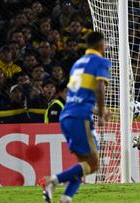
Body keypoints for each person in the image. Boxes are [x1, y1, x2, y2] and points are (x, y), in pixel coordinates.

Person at [42, 31, 112, 203]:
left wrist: (96, 111)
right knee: (94, 164)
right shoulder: (100, 61)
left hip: (67, 115)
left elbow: (78, 95)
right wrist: (102, 113)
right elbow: (99, 88)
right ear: (101, 45)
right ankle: (54, 180)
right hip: (80, 117)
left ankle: (66, 198)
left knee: (83, 165)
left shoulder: (77, 64)